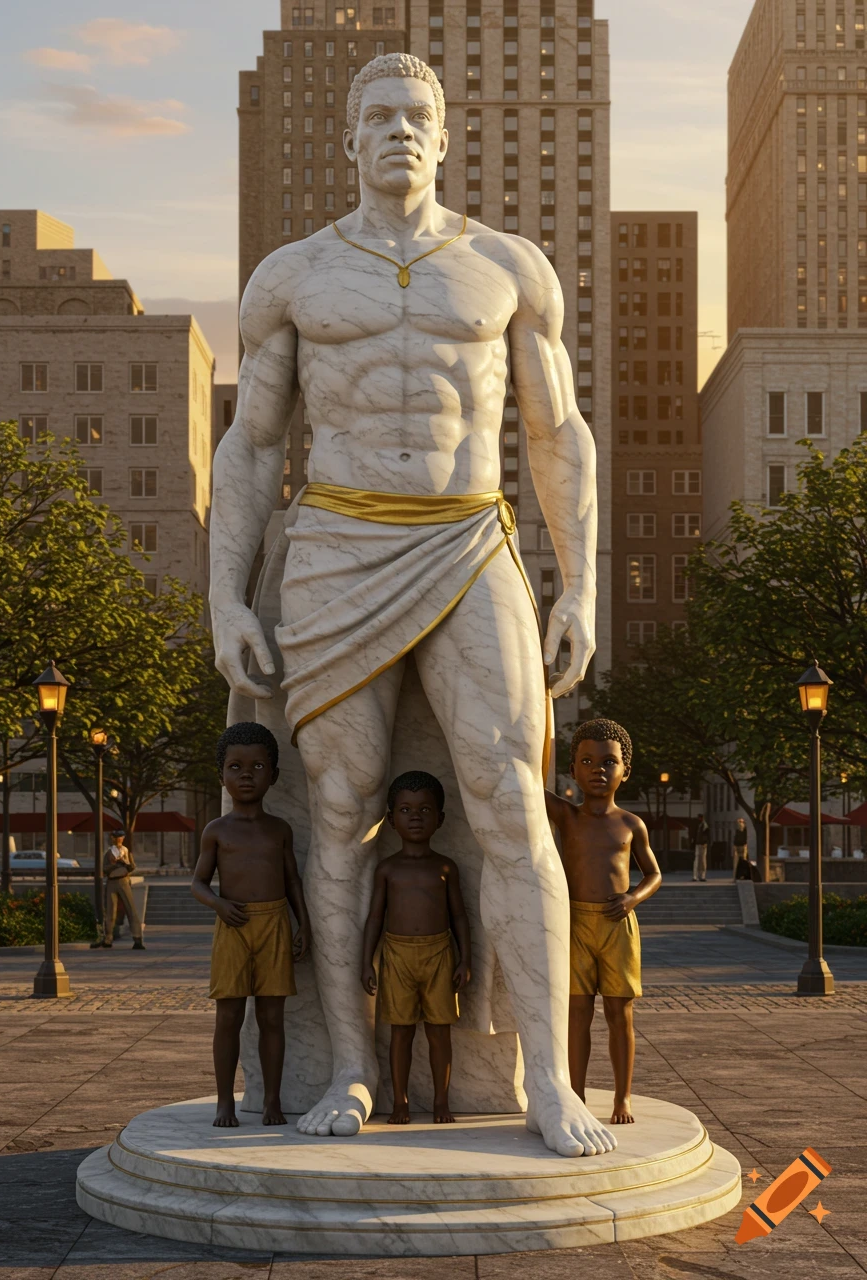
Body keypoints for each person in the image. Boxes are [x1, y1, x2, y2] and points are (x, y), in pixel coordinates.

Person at [210, 52, 616, 1159]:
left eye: (416, 116)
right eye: (377, 115)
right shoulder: (290, 276)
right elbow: (249, 444)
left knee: (507, 797)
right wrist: (222, 595)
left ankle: (539, 1075)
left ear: (444, 138)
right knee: (335, 809)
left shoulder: (506, 267)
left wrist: (577, 580)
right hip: (333, 544)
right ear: (348, 139)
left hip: (467, 538)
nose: (397, 130)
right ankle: (345, 1067)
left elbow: (555, 432)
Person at [191, 722, 311, 1128]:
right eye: (236, 767)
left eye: (257, 767)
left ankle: (271, 1101)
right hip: (234, 927)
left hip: (274, 923)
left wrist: (304, 925)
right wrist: (219, 904)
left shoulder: (279, 830)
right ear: (220, 775)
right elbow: (198, 882)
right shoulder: (217, 831)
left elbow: (293, 880)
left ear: (273, 775)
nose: (246, 775)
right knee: (228, 1017)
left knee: (271, 1018)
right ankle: (225, 1101)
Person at [545, 720, 662, 1125]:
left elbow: (654, 874)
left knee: (619, 1013)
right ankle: (575, 1094)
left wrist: (632, 898)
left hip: (617, 926)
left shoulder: (631, 825)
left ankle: (622, 1097)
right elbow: (528, 777)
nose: (598, 769)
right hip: (575, 923)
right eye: (587, 761)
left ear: (625, 771)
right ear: (572, 770)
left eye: (609, 762)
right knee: (577, 1013)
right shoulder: (566, 816)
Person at [361, 771, 471, 1126]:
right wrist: (367, 962)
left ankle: (442, 1100)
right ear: (392, 820)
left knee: (440, 1031)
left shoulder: (445, 867)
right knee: (401, 1032)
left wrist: (465, 959)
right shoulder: (387, 869)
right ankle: (401, 1102)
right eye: (406, 810)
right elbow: (375, 919)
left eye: (425, 810)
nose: (416, 816)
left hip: (440, 954)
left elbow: (459, 917)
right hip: (396, 956)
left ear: (439, 818)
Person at [101, 831, 145, 950]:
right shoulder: (109, 852)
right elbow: (104, 869)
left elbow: (132, 866)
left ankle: (137, 938)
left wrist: (125, 864)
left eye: (120, 837)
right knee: (110, 910)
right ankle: (108, 938)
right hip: (111, 881)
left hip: (123, 880)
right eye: (116, 838)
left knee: (131, 909)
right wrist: (114, 864)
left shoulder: (126, 851)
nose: (118, 840)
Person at [693, 814, 710, 882]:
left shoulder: (704, 826)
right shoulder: (700, 825)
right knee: (698, 860)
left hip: (702, 844)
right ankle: (697, 876)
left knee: (702, 861)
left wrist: (705, 842)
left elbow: (707, 835)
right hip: (699, 844)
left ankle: (701, 875)